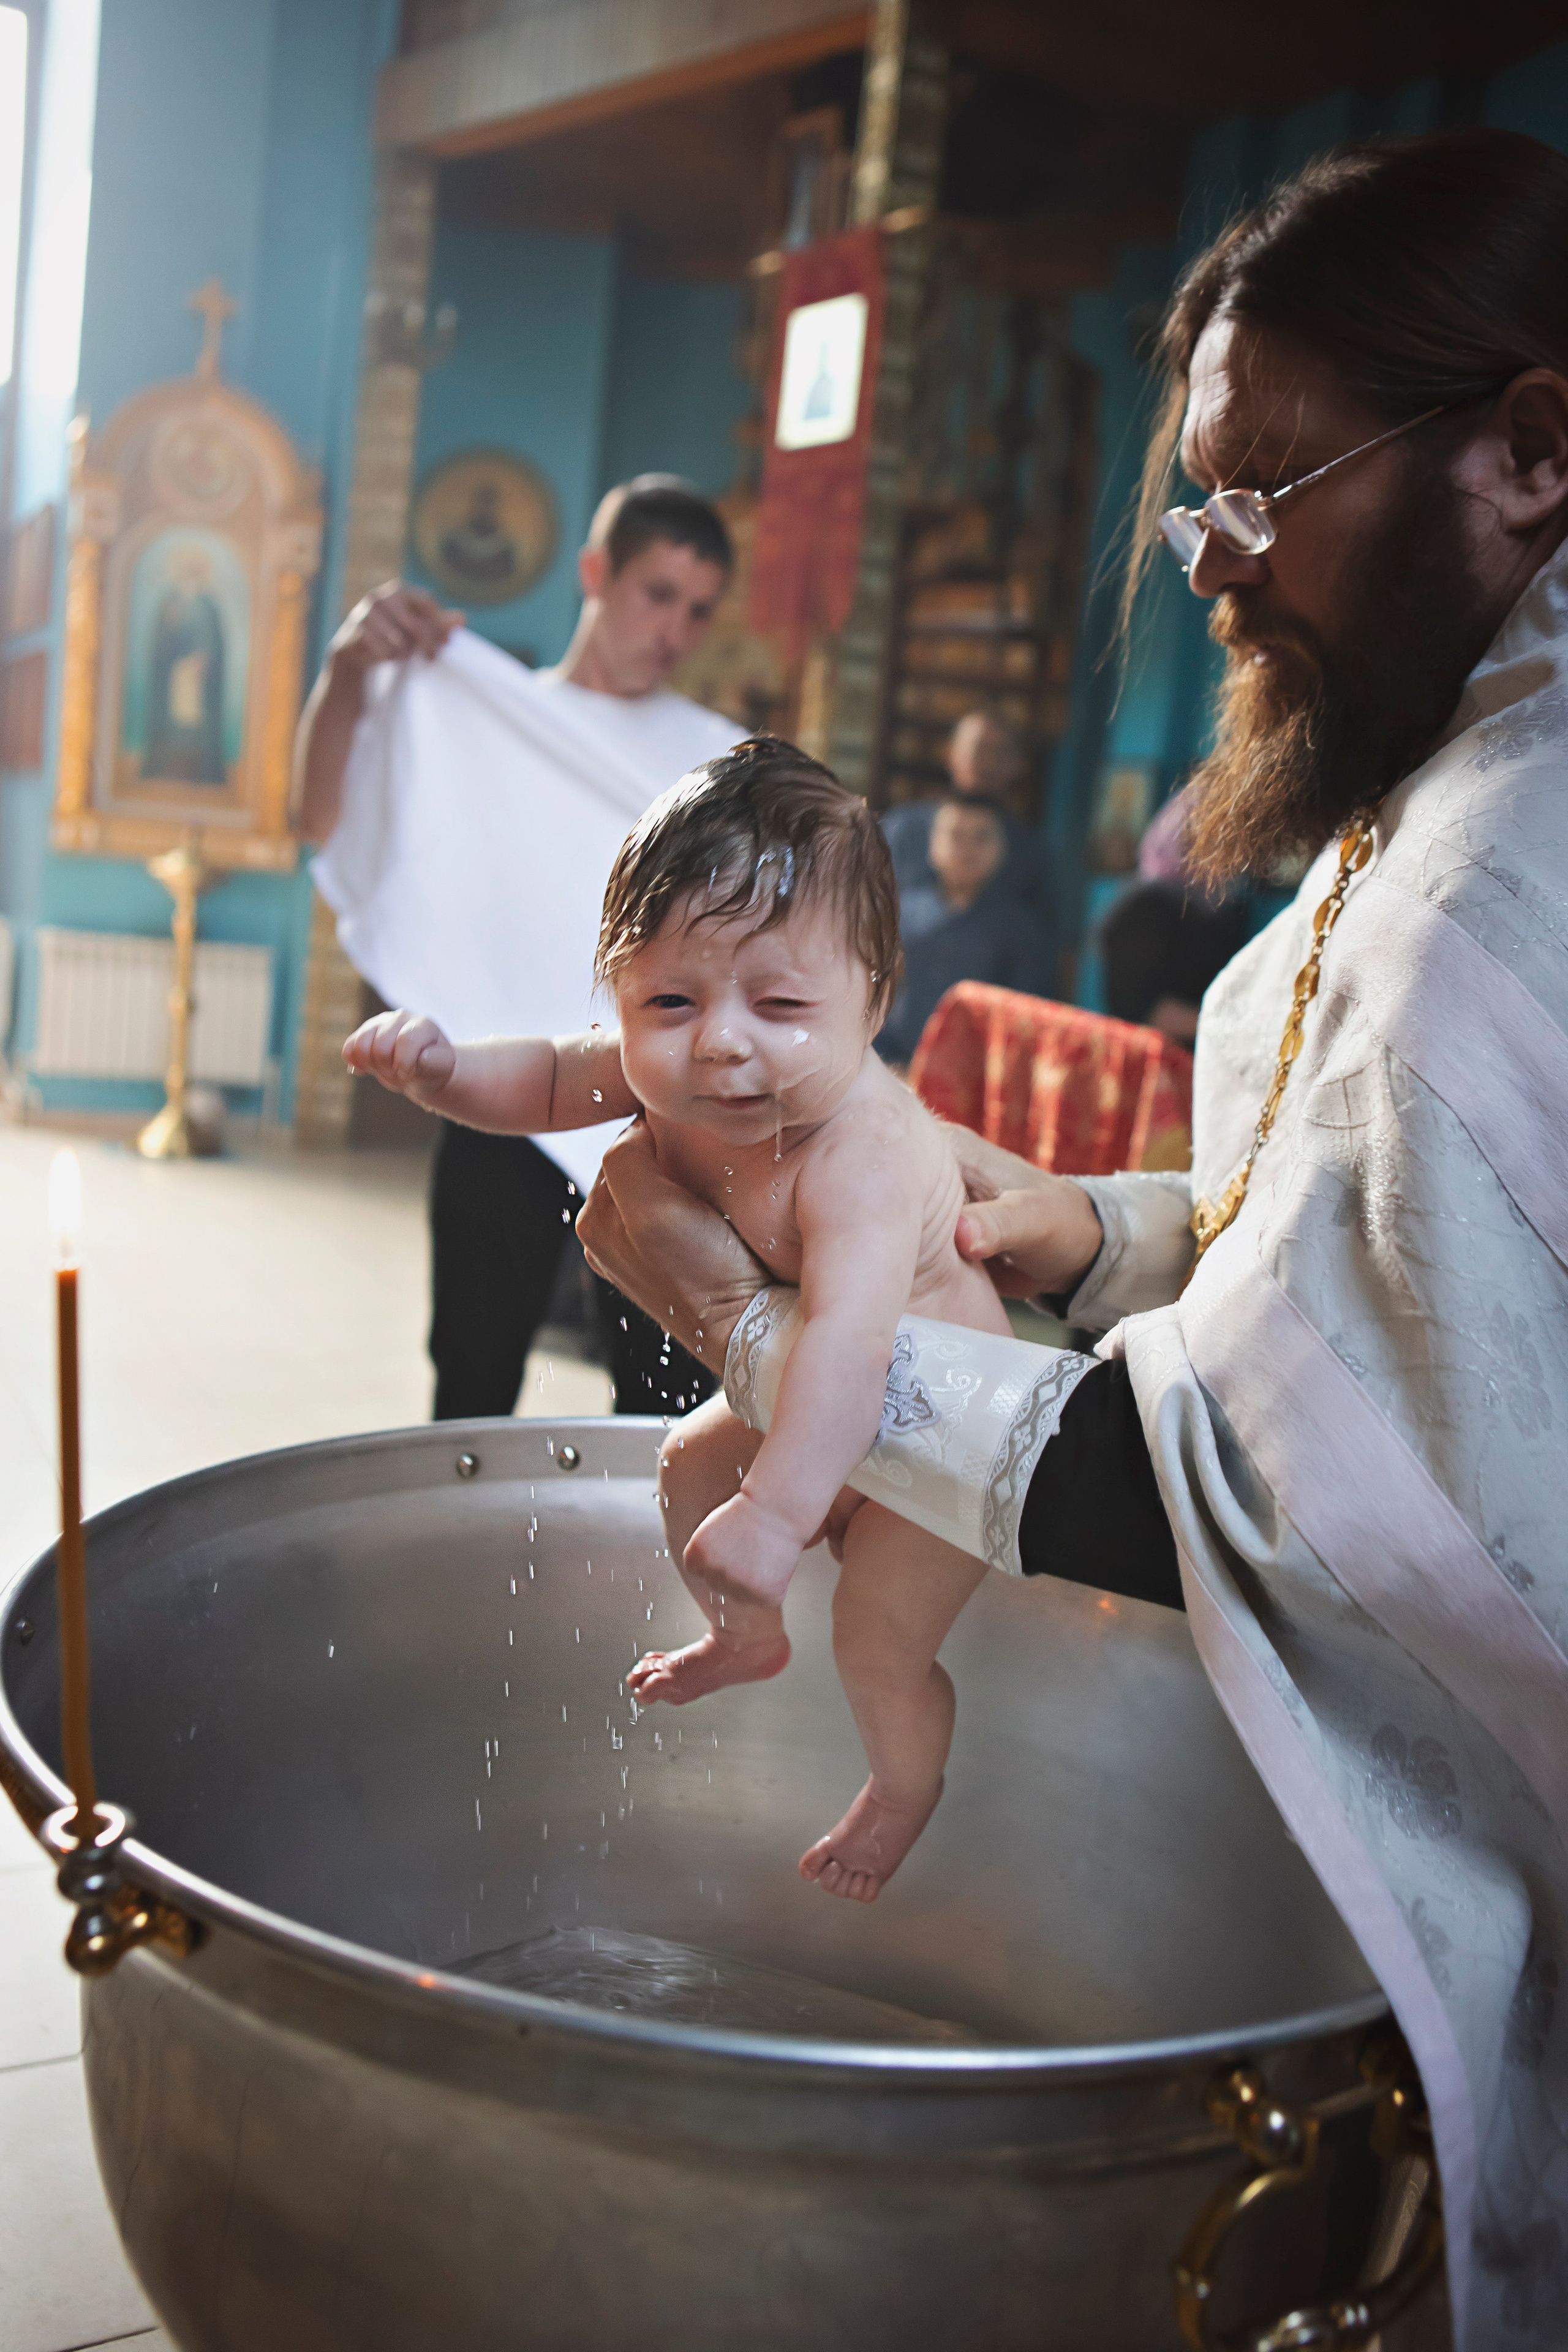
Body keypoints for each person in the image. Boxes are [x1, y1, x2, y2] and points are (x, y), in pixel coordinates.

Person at [575, 130, 1568, 2352]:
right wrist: (1104, 1235)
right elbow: (1428, 1256)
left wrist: (753, 1336)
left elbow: (1313, 1513)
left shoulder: (1512, 853)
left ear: (1523, 448)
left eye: (1260, 491)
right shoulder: (1467, 754)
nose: (1207, 566)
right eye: (1190, 499)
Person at [344, 739, 1022, 1905]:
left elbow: (856, 1346)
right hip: (805, 1395)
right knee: (680, 1466)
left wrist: (779, 1514)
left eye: (780, 1003)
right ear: (619, 988)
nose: (720, 1039)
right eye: (669, 998)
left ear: (875, 999)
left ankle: (905, 1787)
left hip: (939, 1433)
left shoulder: (861, 1152)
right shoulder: (689, 1073)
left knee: (877, 1638)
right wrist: (446, 1074)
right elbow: (553, 1080)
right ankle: (746, 1635)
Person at [293, 474, 737, 1420]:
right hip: (499, 1087)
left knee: (663, 1394)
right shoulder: (482, 718)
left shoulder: (720, 759)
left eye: (699, 612)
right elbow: (320, 815)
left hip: (650, 1112)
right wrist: (346, 673)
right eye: (657, 594)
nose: (674, 629)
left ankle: (639, 1568)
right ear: (594, 573)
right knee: (474, 1363)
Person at [876, 794, 1057, 1065]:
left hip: (975, 1079)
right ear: (932, 845)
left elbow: (1027, 1025)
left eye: (981, 837)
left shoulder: (1024, 932)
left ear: (1002, 849)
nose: (966, 849)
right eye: (955, 836)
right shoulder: (897, 915)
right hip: (890, 1065)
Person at [1099, 785, 1252, 1044]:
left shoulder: (1225, 911)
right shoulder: (1145, 909)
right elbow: (1138, 1003)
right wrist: (1231, 1029)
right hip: (1152, 1062)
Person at [880, 707, 1054, 924]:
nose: (989, 762)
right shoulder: (905, 828)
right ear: (951, 753)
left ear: (1018, 765)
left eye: (1001, 752)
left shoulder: (1029, 849)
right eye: (979, 748)